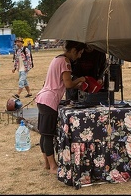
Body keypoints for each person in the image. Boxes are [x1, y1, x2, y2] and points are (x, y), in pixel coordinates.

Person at [35, 40, 87, 174]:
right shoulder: (66, 62)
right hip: (49, 100)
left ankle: (47, 163)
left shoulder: (56, 58)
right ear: (74, 50)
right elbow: (68, 84)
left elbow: (63, 83)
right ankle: (53, 166)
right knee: (48, 135)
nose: (80, 56)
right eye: (80, 53)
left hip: (42, 98)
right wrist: (80, 80)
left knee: (44, 133)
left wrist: (76, 84)